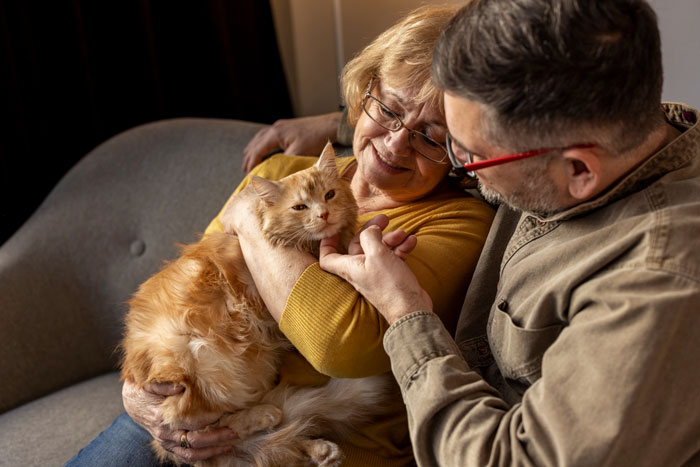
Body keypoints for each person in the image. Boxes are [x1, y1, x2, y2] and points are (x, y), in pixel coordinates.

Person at [67, 5, 495, 466]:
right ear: (364, 94)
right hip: (197, 402)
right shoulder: (276, 173)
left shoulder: (460, 222)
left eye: (430, 137)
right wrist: (140, 392)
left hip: (316, 438)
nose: (395, 143)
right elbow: (188, 290)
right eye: (388, 109)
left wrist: (251, 220)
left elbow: (339, 345)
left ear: (461, 148)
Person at [319, 0, 700, 465]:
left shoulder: (657, 283)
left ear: (579, 171)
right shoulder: (600, 129)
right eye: (448, 139)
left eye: (467, 154)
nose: (459, 166)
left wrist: (405, 312)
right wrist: (343, 122)